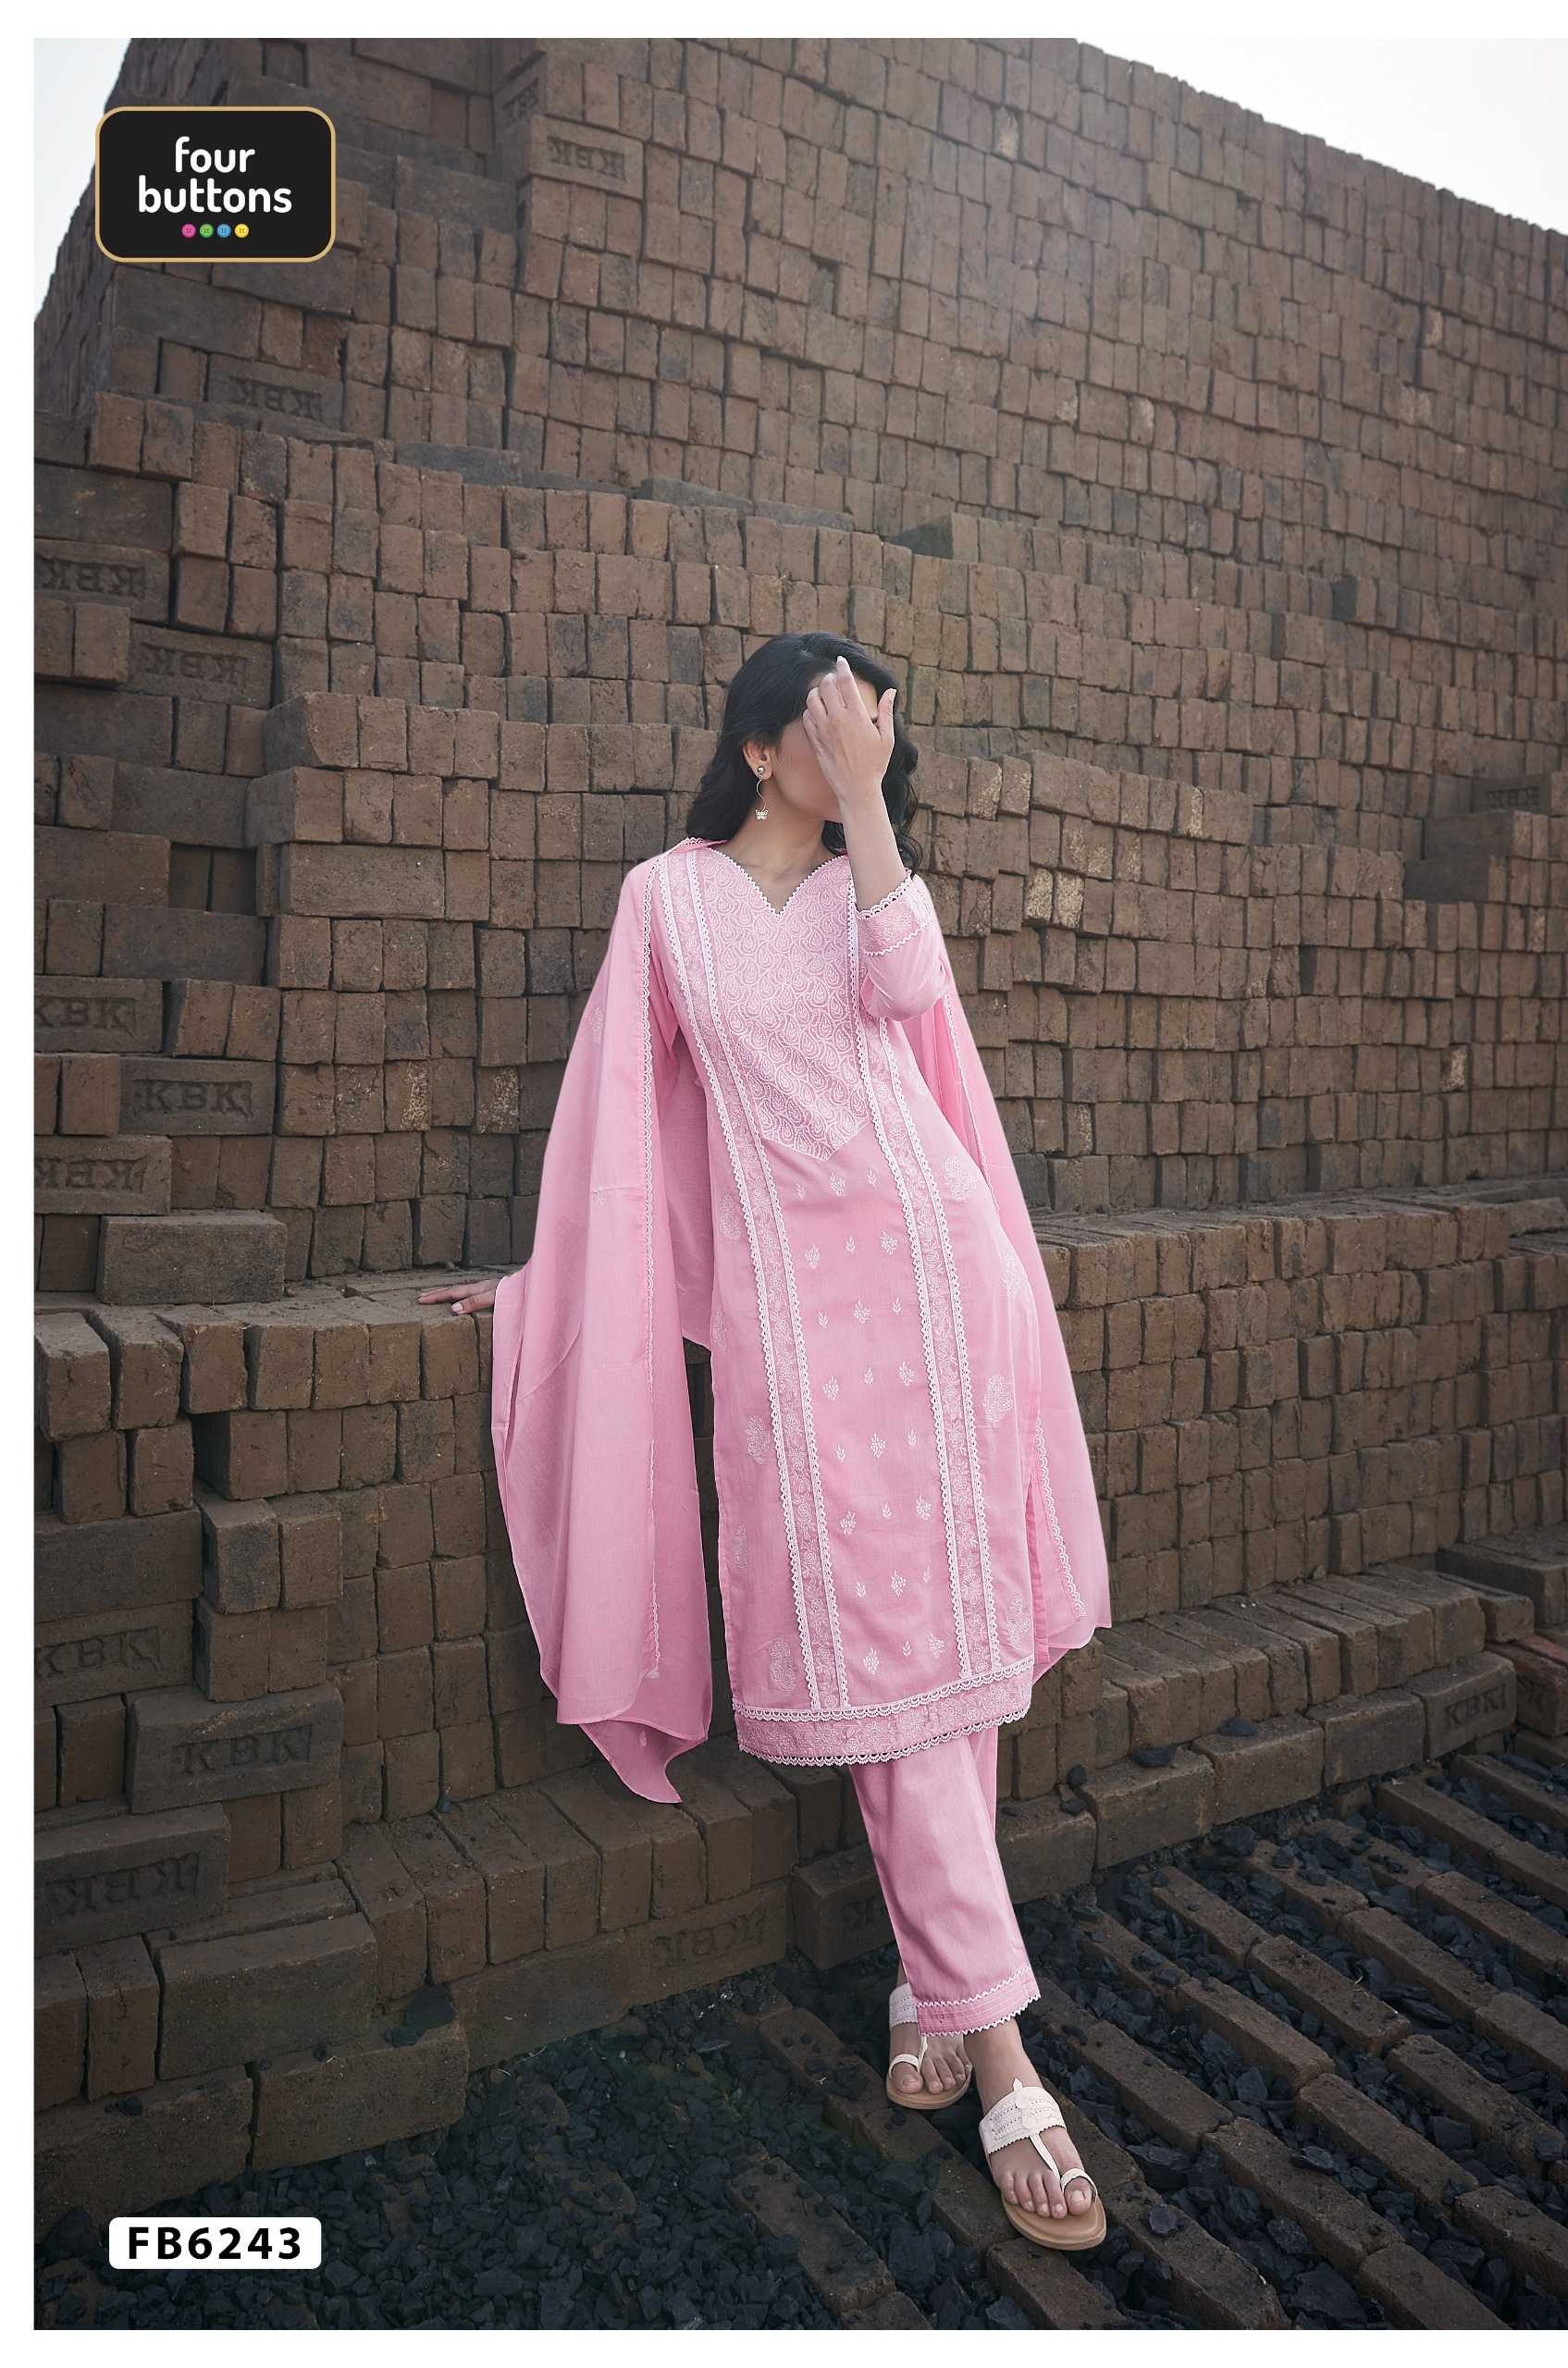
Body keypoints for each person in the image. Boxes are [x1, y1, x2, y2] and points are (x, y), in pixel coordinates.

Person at [422, 634, 1112, 2247]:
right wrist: (549, 1280)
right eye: (837, 722)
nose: (867, 742)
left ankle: (968, 2022)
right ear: (756, 746)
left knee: (940, 1652)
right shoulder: (665, 903)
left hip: (941, 1284)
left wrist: (870, 807)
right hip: (799, 1330)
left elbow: (913, 995)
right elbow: (616, 1120)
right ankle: (982, 2023)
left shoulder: (876, 881)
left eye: (879, 727)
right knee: (885, 1646)